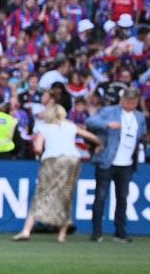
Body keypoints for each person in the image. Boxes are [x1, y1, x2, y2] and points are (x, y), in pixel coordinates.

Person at [13, 87, 100, 242]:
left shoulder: (45, 128)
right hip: (72, 160)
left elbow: (37, 147)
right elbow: (92, 137)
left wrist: (39, 154)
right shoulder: (71, 126)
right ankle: (62, 234)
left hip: (53, 161)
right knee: (66, 196)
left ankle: (26, 231)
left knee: (41, 194)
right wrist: (99, 146)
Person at [88, 86, 148, 242]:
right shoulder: (109, 111)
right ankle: (97, 231)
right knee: (100, 196)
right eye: (128, 101)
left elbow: (142, 133)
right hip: (107, 161)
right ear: (122, 100)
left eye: (133, 102)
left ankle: (120, 231)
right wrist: (107, 124)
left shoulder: (139, 117)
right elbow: (91, 121)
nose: (130, 104)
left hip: (127, 163)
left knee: (122, 198)